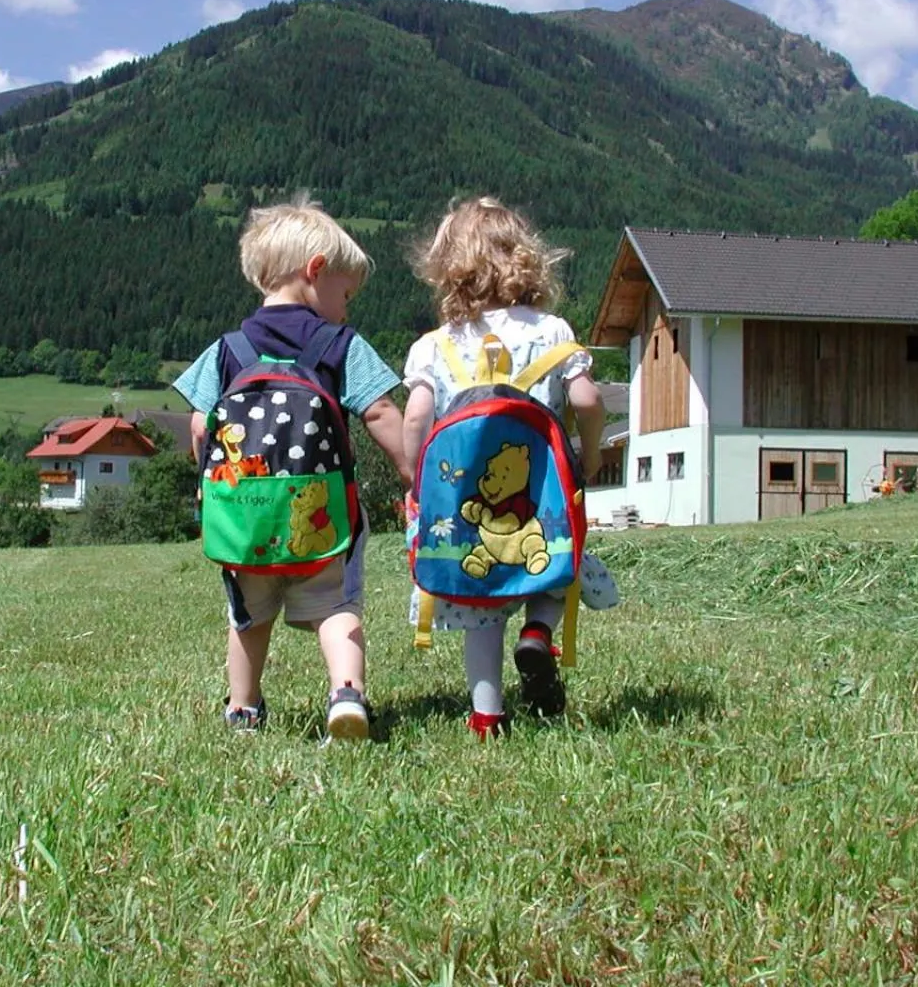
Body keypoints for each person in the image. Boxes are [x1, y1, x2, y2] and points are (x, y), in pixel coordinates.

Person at [174, 199, 409, 741]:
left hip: (246, 516)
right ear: (316, 270)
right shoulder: (340, 344)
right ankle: (346, 693)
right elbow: (380, 411)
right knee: (336, 607)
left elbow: (199, 427)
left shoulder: (227, 349)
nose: (345, 310)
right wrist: (410, 472)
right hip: (320, 515)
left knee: (248, 617)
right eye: (346, 295)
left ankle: (243, 708)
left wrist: (212, 486)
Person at [401, 198, 605, 738]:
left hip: (466, 501)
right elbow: (586, 400)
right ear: (526, 258)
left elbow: (417, 416)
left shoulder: (436, 345)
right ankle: (538, 632)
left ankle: (487, 716)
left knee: (481, 608)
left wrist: (415, 478)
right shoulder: (553, 331)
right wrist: (589, 455)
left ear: (448, 269)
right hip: (542, 493)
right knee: (554, 564)